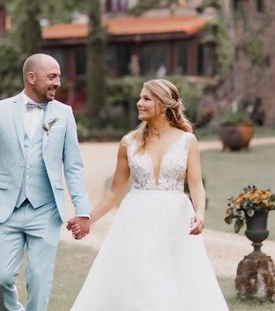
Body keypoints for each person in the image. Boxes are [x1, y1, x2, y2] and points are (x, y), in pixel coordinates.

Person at [68, 79, 228, 310]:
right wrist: (88, 219)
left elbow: (195, 185)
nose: (138, 103)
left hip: (175, 220)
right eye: (140, 98)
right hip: (136, 219)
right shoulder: (128, 143)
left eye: (146, 98)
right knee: (138, 276)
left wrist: (200, 213)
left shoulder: (187, 141)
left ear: (163, 105)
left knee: (172, 279)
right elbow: (114, 191)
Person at [0, 54, 91, 311]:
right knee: (1, 278)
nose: (58, 82)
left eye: (59, 76)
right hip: (5, 209)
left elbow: (74, 167)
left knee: (39, 280)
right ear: (31, 77)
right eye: (52, 76)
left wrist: (82, 211)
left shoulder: (64, 114)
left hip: (46, 210)